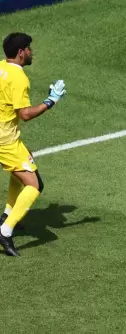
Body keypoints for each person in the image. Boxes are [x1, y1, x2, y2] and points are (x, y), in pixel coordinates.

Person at [0, 33, 66, 256]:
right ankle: (5, 230)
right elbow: (25, 114)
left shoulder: (1, 67)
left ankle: (8, 214)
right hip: (4, 140)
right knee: (35, 185)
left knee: (24, 159)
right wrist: (51, 101)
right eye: (28, 48)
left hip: (7, 137)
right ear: (20, 52)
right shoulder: (19, 78)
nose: (31, 52)